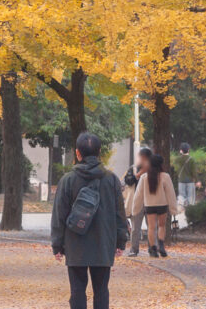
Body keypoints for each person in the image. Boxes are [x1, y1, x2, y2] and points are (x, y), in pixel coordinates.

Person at [52, 132, 129, 309]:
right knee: (102, 290)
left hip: (75, 243)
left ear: (77, 153)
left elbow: (59, 215)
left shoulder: (67, 180)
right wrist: (121, 240)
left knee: (77, 291)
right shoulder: (111, 180)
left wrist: (57, 244)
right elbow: (119, 213)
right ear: (99, 151)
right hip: (103, 243)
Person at [131, 154, 178, 258]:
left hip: (149, 205)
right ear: (161, 164)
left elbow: (138, 195)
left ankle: (153, 249)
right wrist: (173, 209)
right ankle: (161, 245)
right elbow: (171, 193)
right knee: (161, 226)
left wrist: (135, 209)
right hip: (162, 205)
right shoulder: (165, 176)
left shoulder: (144, 177)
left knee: (151, 228)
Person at [122, 147, 151, 257]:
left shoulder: (154, 170)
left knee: (152, 227)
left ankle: (153, 249)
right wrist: (139, 174)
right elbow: (128, 181)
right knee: (135, 228)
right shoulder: (133, 169)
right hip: (137, 202)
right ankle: (134, 249)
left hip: (150, 201)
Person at [175, 143, 197, 209]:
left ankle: (182, 207)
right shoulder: (191, 159)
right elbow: (194, 172)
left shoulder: (178, 159)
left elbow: (176, 170)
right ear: (188, 150)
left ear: (181, 150)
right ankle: (189, 209)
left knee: (181, 196)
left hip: (181, 180)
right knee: (190, 196)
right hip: (190, 181)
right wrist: (197, 180)